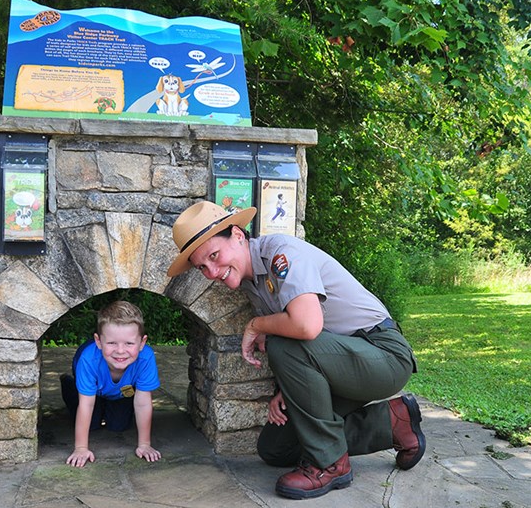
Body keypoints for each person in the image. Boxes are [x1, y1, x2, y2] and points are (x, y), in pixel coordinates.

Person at [167, 201, 425, 500]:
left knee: (280, 342)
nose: (211, 271)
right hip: (343, 365)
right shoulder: (253, 282)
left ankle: (329, 464)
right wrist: (291, 389)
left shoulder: (281, 253)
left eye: (214, 255)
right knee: (276, 447)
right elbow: (309, 348)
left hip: (383, 355)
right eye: (202, 266)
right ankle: (394, 422)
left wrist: (256, 325)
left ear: (237, 235)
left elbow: (306, 327)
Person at [60, 300, 162, 467]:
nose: (120, 351)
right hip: (90, 388)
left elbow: (143, 403)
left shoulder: (146, 358)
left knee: (118, 425)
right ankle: (68, 384)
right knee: (91, 423)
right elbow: (86, 405)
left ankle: (108, 402)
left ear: (142, 343)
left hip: (120, 391)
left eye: (129, 343)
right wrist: (81, 448)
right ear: (99, 341)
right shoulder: (88, 359)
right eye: (112, 343)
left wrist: (144, 444)